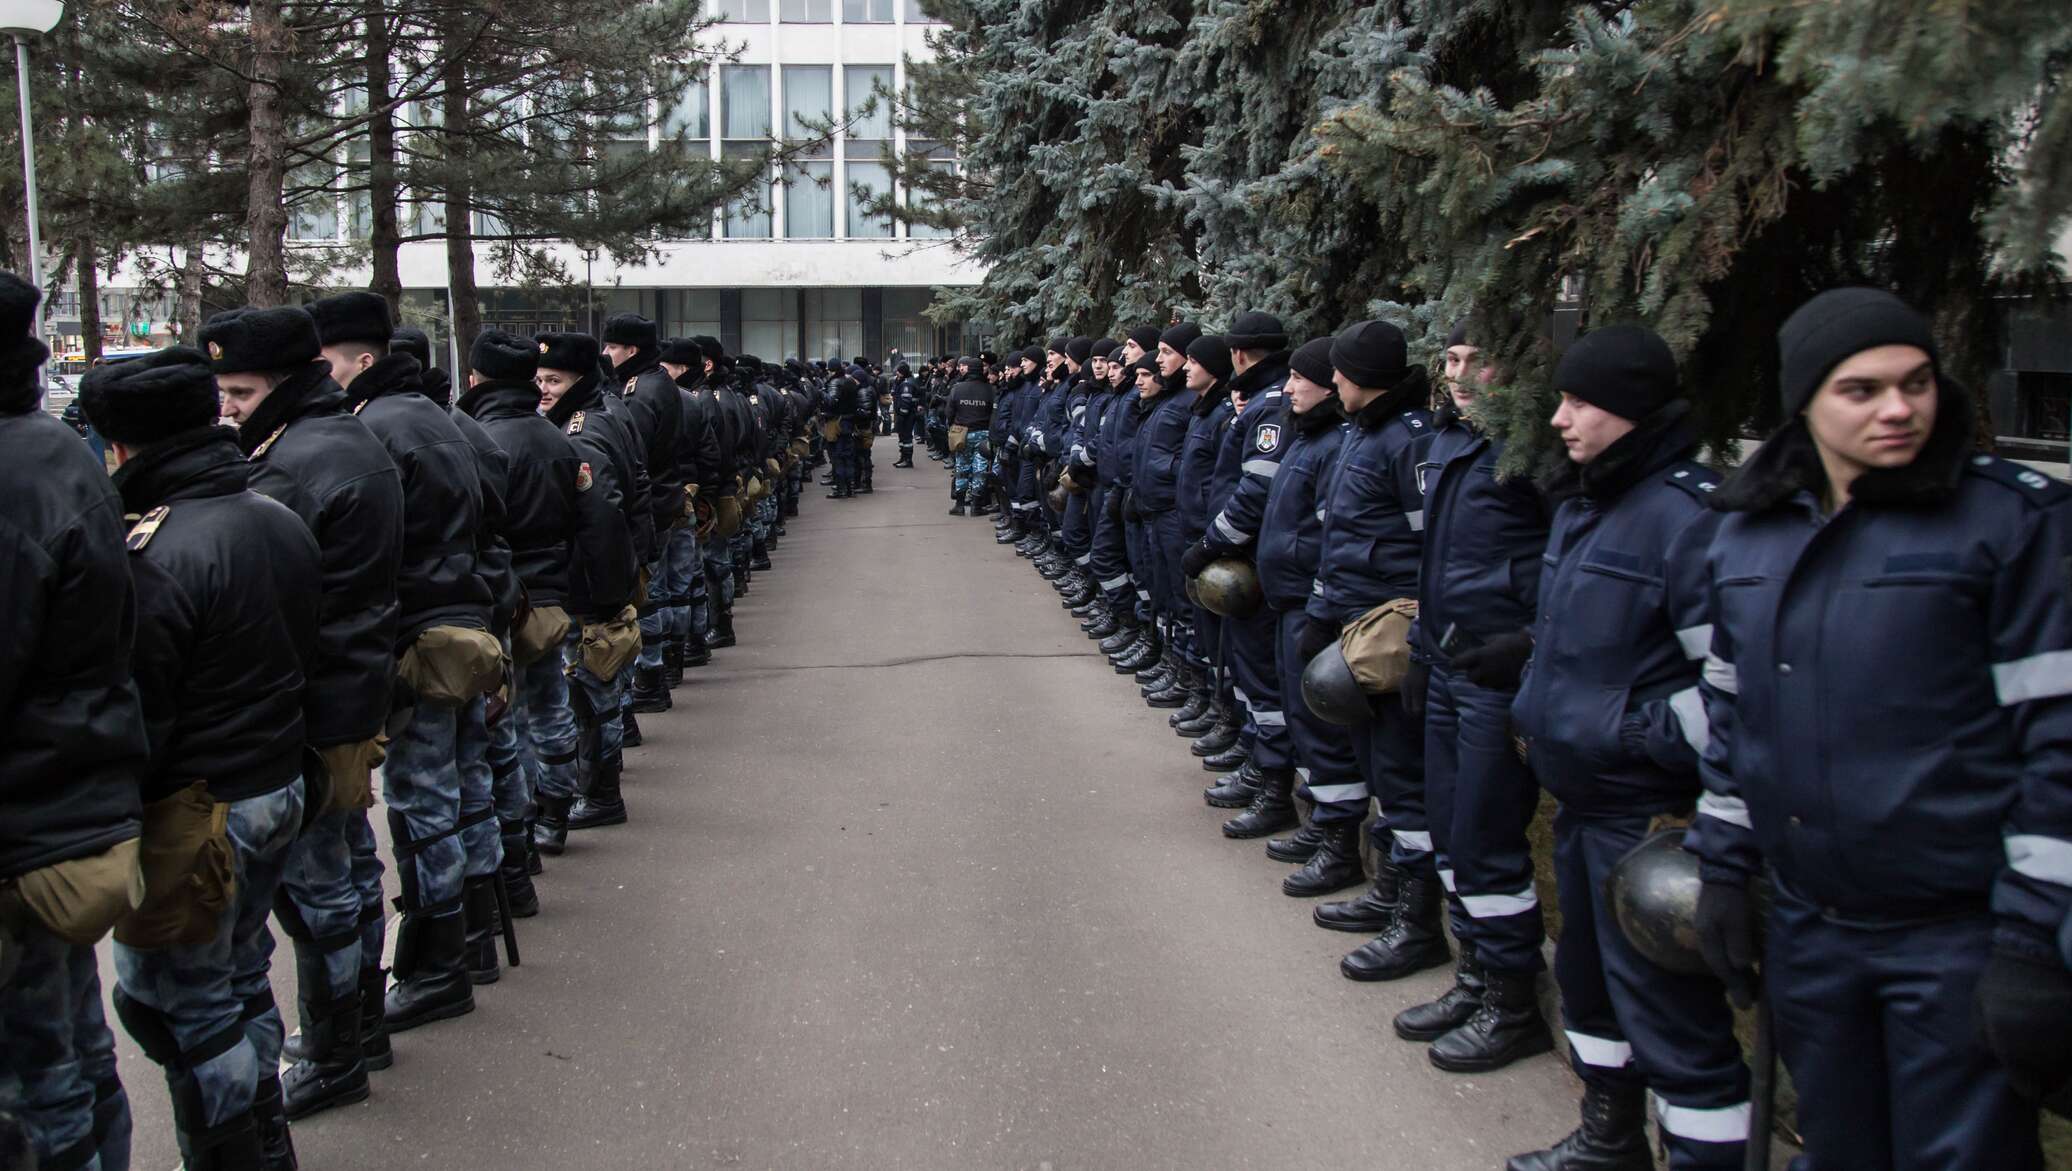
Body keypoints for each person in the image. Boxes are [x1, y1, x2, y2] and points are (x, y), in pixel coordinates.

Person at [1689, 288, 2072, 1170]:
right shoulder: (1747, 536)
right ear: (1805, 403)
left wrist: (2030, 943)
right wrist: (1721, 865)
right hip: (1810, 930)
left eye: (1916, 382)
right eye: (1861, 389)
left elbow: (2060, 746)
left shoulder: (2009, 523)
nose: (1899, 408)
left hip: (1956, 940)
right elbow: (1734, 719)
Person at [1507, 325, 1749, 1170]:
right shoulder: (1586, 504)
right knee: (1592, 989)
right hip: (1583, 806)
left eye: (1579, 403)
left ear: (1634, 410)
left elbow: (1732, 689)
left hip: (1645, 817)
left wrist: (1627, 733)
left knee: (1674, 1022)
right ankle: (1610, 1137)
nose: (1560, 420)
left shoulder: (1689, 517)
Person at [83, 348, 323, 1170]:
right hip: (271, 780)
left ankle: (233, 1151)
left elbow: (139, 712)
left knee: (179, 1003)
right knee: (238, 973)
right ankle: (262, 1136)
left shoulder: (156, 549)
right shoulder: (272, 513)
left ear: (120, 447)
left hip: (201, 806)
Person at [206, 303, 405, 1131]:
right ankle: (352, 1031)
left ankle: (333, 1053)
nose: (228, 409)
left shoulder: (294, 464)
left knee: (317, 890)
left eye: (241, 392)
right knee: (346, 870)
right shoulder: (339, 440)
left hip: (310, 708)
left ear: (286, 381)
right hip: (346, 695)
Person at [304, 292, 497, 1036]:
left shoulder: (376, 429)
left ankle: (437, 961)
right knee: (450, 787)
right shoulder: (436, 419)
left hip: (418, 634)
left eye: (327, 362)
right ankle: (462, 939)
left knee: (421, 801)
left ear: (362, 359)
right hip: (460, 622)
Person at [0, 272, 147, 1171]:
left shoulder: (18, 472)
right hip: (68, 809)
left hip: (29, 820)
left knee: (38, 1080)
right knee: (76, 1054)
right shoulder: (54, 453)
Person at [1398, 317, 1554, 1074]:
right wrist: (1424, 648)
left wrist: (1525, 646)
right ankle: (1474, 974)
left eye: (1476, 359)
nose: (1459, 372)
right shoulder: (1452, 444)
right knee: (1453, 830)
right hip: (1448, 664)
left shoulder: (1533, 453)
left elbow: (1566, 566)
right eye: (1452, 357)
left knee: (1490, 837)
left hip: (1498, 677)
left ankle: (1513, 1001)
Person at [535, 332, 648, 841]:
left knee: (589, 692)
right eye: (539, 380)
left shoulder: (582, 431)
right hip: (602, 574)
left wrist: (602, 595)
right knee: (598, 689)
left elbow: (599, 513)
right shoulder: (603, 410)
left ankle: (601, 793)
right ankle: (601, 787)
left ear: (579, 379)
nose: (543, 389)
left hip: (587, 582)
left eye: (553, 380)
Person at [1180, 314, 1293, 813]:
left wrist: (1212, 543)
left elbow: (1253, 491)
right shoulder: (1253, 404)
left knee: (1261, 678)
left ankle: (1271, 784)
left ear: (1240, 354)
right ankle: (1254, 755)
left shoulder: (1268, 408)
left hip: (1248, 556)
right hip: (1240, 552)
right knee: (1246, 670)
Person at [944, 360, 997, 515]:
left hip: (962, 433)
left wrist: (953, 425)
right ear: (982, 371)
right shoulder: (990, 389)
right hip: (983, 433)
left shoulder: (957, 388)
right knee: (980, 468)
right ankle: (976, 506)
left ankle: (959, 505)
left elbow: (949, 412)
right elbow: (994, 414)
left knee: (961, 467)